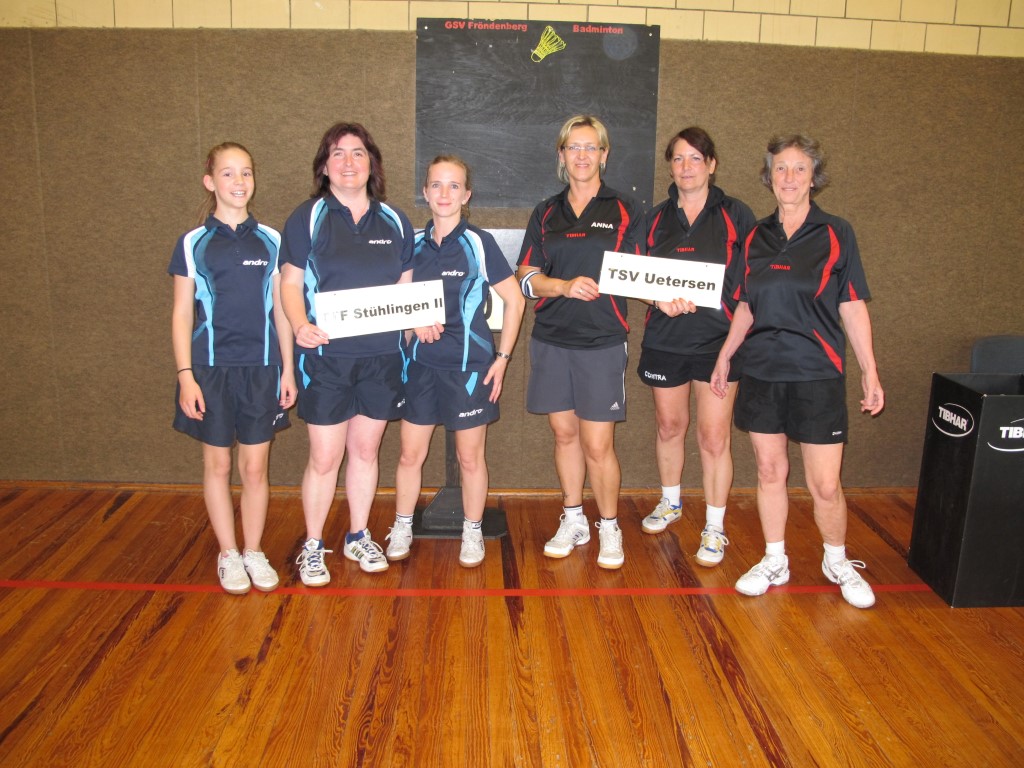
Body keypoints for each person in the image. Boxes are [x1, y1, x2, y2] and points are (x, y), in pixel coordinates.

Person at [710, 133, 885, 608]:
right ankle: (775, 559)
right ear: (770, 177)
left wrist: (869, 371)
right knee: (769, 470)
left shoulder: (836, 232)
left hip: (817, 372)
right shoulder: (754, 236)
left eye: (799, 168)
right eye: (780, 169)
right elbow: (745, 305)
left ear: (813, 177)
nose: (789, 177)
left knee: (825, 484)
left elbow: (852, 305)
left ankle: (837, 560)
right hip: (763, 370)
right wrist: (726, 355)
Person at [280, 122, 414, 585]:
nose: (349, 162)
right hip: (327, 359)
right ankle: (313, 545)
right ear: (324, 166)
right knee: (324, 456)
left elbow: (405, 288)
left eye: (358, 153)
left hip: (381, 358)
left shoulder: (395, 220)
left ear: (371, 163)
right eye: (338, 153)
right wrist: (300, 325)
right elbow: (291, 283)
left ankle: (358, 535)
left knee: (365, 450)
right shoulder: (308, 217)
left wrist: (413, 322)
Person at [516, 115, 644, 570]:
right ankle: (573, 519)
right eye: (574, 147)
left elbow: (644, 273)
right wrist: (563, 286)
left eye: (591, 147)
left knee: (598, 444)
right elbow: (527, 277)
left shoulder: (625, 209)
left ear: (604, 155)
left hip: (601, 341)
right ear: (562, 155)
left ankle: (609, 525)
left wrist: (669, 297)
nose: (583, 155)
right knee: (564, 434)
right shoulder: (546, 212)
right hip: (552, 339)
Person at [170, 141, 296, 595]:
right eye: (228, 173)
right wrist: (186, 375)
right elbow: (181, 314)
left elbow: (282, 312)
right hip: (210, 370)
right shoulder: (193, 243)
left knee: (256, 467)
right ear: (210, 182)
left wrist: (287, 369)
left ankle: (253, 550)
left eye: (246, 172)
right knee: (219, 463)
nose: (239, 181)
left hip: (262, 370)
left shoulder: (273, 240)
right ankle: (228, 552)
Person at [388, 156, 525, 567]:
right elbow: (395, 301)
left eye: (453, 186)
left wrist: (502, 358)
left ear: (466, 195)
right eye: (436, 185)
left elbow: (516, 300)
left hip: (469, 369)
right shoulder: (411, 243)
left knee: (469, 458)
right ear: (425, 192)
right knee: (409, 455)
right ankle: (402, 525)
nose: (444, 193)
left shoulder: (479, 243)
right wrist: (412, 321)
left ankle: (471, 530)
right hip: (420, 368)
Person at [638, 127, 755, 568]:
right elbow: (633, 275)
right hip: (665, 340)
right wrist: (658, 300)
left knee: (712, 436)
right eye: (678, 159)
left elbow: (750, 282)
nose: (686, 167)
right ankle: (671, 502)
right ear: (670, 166)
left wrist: (733, 339)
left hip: (718, 344)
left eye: (695, 158)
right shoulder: (654, 218)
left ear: (712, 164)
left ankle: (715, 525)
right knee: (670, 426)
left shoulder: (736, 215)